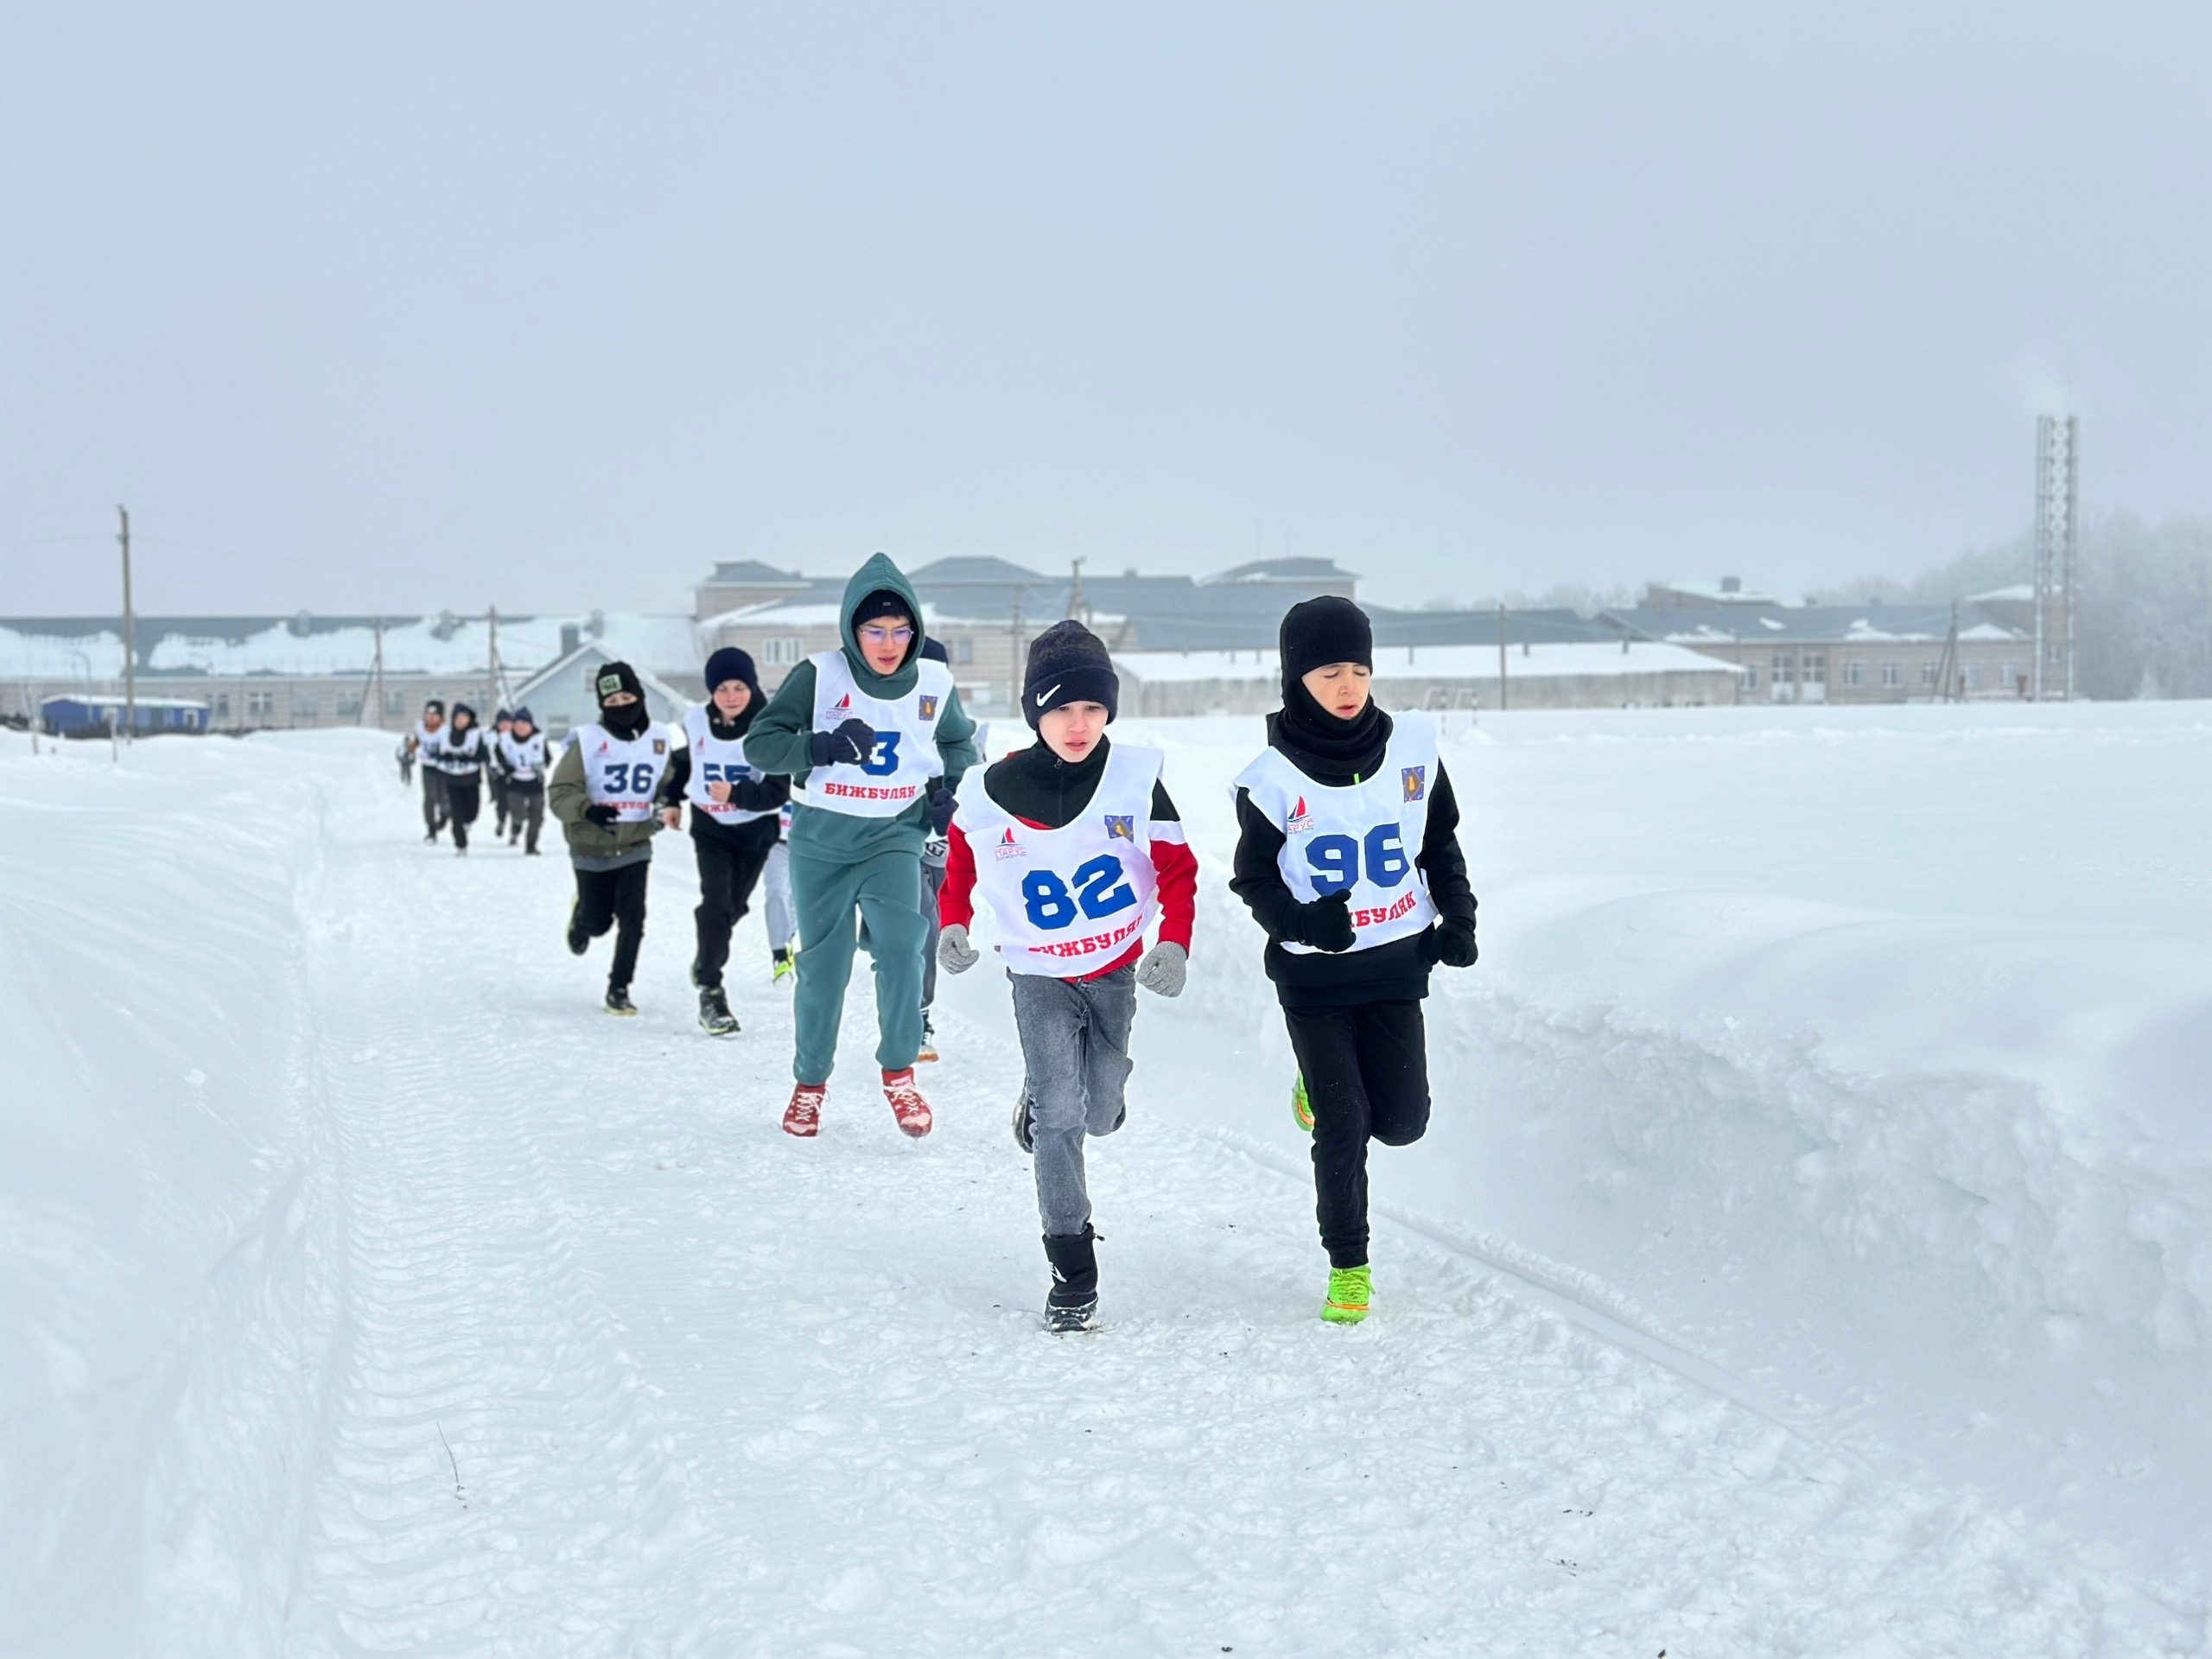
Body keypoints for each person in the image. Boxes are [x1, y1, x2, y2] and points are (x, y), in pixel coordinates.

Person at [936, 621, 1198, 1331]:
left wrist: (1172, 942)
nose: (1077, 725)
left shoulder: (1137, 782)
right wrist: (952, 921)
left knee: (1101, 1113)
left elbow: (1178, 870)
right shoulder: (994, 790)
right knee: (1061, 1117)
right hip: (1039, 975)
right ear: (1034, 714)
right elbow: (961, 860)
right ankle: (1072, 1274)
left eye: (1091, 709)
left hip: (1112, 968)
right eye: (1059, 709)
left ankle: (1053, 1092)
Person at [1228, 597, 1478, 1325]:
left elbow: (1439, 845)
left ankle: (1316, 1087)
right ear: (1296, 680)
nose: (1347, 685)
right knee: (1344, 1123)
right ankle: (1348, 1266)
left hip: (1397, 965)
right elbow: (1254, 878)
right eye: (1330, 671)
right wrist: (1305, 921)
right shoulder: (1270, 778)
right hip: (1316, 978)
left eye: (1359, 669)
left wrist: (1459, 919)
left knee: (1401, 1123)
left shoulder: (1414, 753)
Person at [743, 553, 979, 1138]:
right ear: (852, 629)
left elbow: (958, 745)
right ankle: (810, 1084)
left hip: (893, 836)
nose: (889, 642)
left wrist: (949, 792)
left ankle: (899, 1072)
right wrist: (819, 747)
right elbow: (761, 745)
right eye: (875, 630)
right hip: (821, 843)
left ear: (916, 631)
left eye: (900, 630)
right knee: (824, 969)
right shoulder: (819, 676)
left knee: (903, 947)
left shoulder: (935, 681)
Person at [664, 646, 791, 1037]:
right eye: (722, 688)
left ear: (752, 687)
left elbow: (777, 790)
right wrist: (671, 800)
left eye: (739, 687)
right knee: (716, 906)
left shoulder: (769, 727)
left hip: (755, 830)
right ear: (711, 692)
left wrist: (736, 794)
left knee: (734, 909)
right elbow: (685, 762)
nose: (732, 696)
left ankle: (707, 951)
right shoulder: (696, 722)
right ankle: (710, 989)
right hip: (710, 827)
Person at [548, 663, 681, 1015]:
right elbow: (560, 792)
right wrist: (587, 809)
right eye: (613, 699)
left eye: (627, 696)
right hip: (590, 845)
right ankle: (583, 918)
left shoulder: (659, 739)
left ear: (640, 697)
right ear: (602, 704)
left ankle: (619, 987)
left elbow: (667, 784)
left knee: (634, 919)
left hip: (636, 844)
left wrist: (666, 804)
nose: (621, 705)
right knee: (599, 922)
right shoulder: (588, 741)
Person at [429, 702, 487, 854]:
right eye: (457, 717)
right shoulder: (444, 733)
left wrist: (470, 759)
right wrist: (444, 758)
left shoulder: (476, 734)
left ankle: (467, 823)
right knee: (456, 814)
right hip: (452, 779)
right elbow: (434, 752)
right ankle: (460, 844)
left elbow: (484, 755)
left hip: (471, 779)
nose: (460, 721)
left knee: (472, 812)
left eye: (464, 718)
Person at [495, 706, 550, 854]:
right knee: (518, 813)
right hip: (515, 782)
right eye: (517, 724)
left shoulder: (538, 739)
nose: (521, 727)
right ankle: (516, 826)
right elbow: (498, 755)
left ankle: (531, 845)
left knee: (537, 816)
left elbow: (548, 758)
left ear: (531, 725)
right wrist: (506, 767)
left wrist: (540, 766)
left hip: (534, 782)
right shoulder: (505, 739)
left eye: (525, 724)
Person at [761, 803, 799, 984]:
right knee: (776, 892)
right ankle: (780, 955)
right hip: (776, 843)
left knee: (799, 901)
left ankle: (789, 939)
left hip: (809, 844)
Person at [410, 699, 449, 842]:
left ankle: (444, 817)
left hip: (443, 767)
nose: (431, 717)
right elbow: (416, 741)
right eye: (428, 714)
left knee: (444, 797)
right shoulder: (421, 728)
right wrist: (410, 748)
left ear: (441, 717)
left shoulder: (446, 731)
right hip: (427, 767)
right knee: (429, 798)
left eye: (434, 715)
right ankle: (431, 829)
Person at [488, 709, 516, 840]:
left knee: (516, 803)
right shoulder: (492, 736)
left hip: (517, 774)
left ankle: (514, 831)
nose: (505, 725)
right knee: (502, 802)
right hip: (499, 774)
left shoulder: (518, 735)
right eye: (502, 723)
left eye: (507, 722)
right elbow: (489, 755)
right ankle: (501, 821)